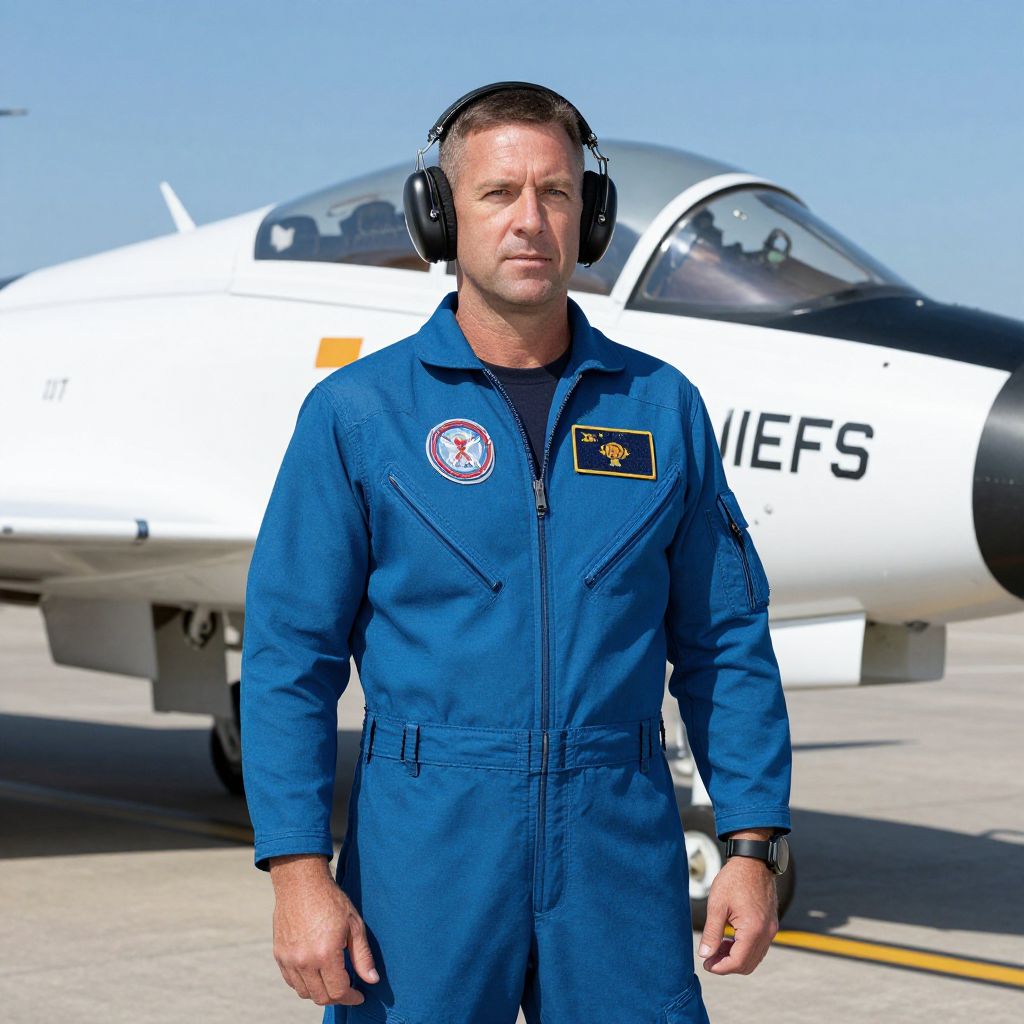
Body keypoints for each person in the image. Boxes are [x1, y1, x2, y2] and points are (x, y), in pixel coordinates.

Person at [240, 82, 792, 1024]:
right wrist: (297, 872)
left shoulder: (662, 410)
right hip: (429, 851)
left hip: (615, 846)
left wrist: (753, 841)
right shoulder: (360, 415)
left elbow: (724, 641)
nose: (531, 221)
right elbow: (290, 656)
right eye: (499, 194)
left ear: (591, 216)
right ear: (441, 215)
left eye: (558, 194)